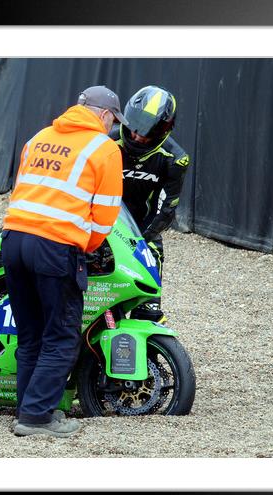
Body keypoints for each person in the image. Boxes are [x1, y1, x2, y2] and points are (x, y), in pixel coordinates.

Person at [1, 85, 125, 437]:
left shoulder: (39, 136)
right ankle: (36, 418)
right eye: (113, 121)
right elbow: (104, 216)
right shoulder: (103, 148)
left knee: (31, 335)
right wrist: (86, 247)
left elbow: (21, 187)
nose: (112, 128)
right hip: (55, 246)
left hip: (13, 237)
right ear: (104, 115)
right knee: (61, 335)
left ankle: (29, 408)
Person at [109, 85, 190, 323]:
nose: (137, 136)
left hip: (142, 230)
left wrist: (138, 240)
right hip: (99, 226)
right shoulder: (105, 142)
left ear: (164, 129)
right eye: (134, 128)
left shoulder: (175, 159)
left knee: (148, 310)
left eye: (145, 133)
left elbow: (167, 209)